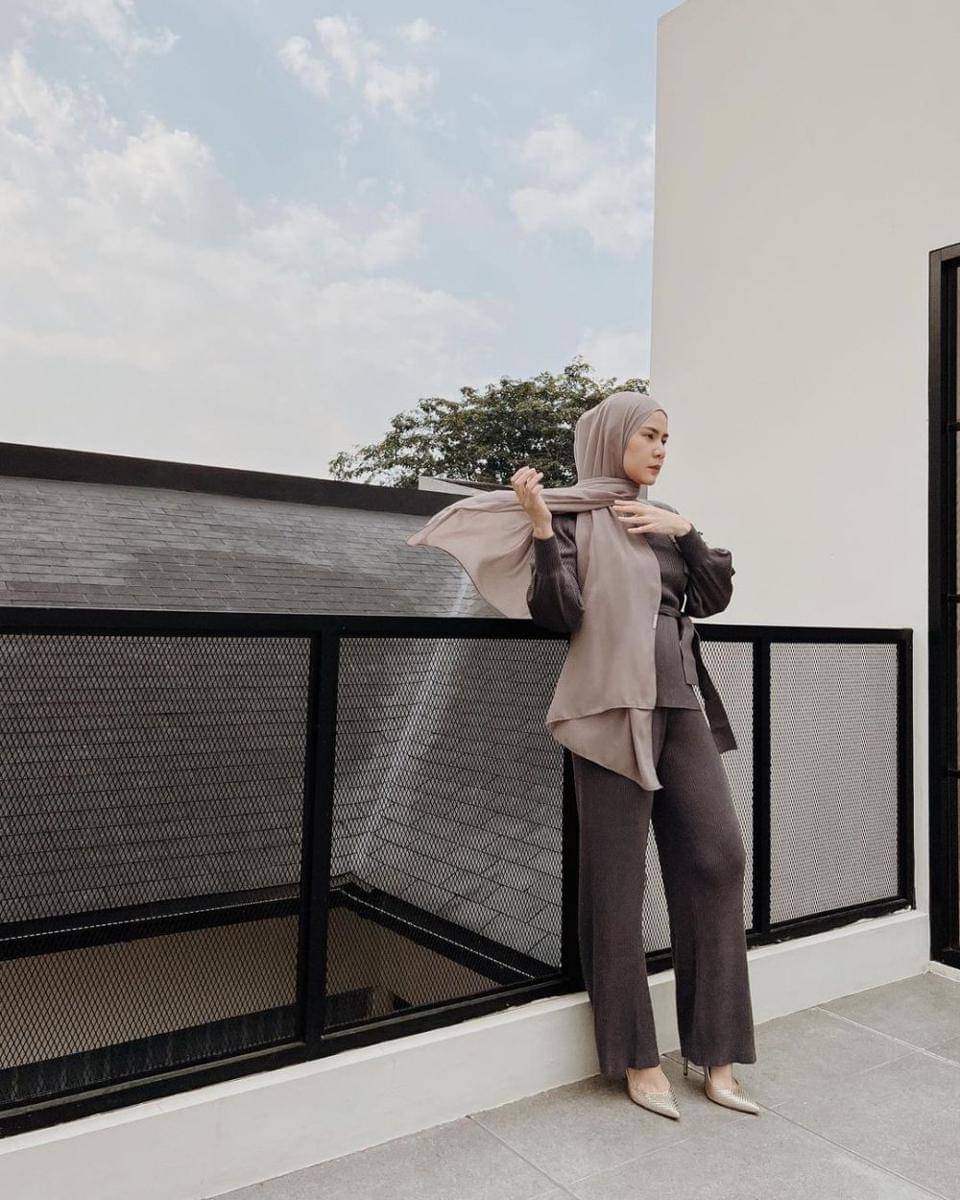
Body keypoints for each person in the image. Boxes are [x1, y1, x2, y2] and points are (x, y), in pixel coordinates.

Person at [405, 391, 759, 1120]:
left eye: (666, 438)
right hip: (606, 708)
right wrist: (541, 528)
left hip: (679, 702)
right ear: (610, 440)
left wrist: (688, 532)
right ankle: (635, 1056)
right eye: (648, 436)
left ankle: (714, 1047)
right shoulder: (572, 517)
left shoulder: (660, 520)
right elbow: (560, 611)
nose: (660, 450)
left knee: (719, 856)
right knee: (617, 883)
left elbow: (711, 597)